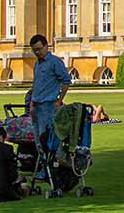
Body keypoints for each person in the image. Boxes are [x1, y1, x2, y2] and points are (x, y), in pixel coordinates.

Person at [27, 34, 71, 163]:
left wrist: (59, 100)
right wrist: (31, 104)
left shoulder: (55, 62)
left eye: (39, 48)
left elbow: (66, 81)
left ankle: (52, 165)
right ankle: (43, 166)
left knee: (46, 138)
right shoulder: (37, 64)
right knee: (37, 140)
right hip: (36, 106)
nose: (37, 52)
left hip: (48, 105)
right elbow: (36, 84)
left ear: (46, 46)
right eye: (34, 50)